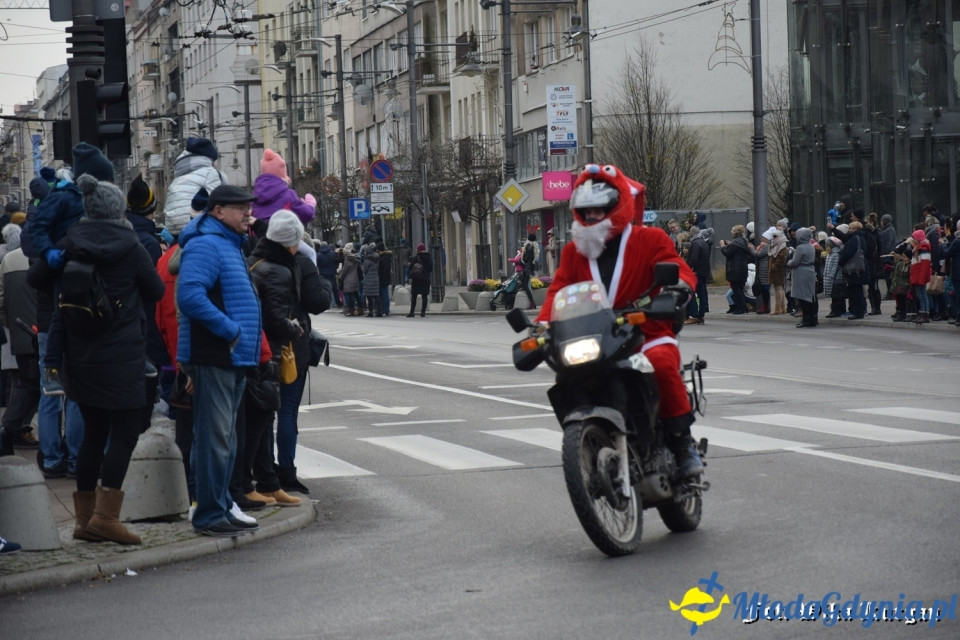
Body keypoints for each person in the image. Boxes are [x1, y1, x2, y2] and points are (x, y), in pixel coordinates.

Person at [538, 163, 703, 478]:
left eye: (600, 210)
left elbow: (676, 266)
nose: (592, 217)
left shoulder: (649, 238)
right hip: (596, 335)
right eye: (586, 211)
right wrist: (543, 325)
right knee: (569, 376)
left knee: (661, 363)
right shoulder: (575, 252)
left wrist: (676, 289)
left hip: (647, 328)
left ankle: (683, 445)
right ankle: (588, 441)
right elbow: (558, 290)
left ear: (616, 206)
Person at [29, 174, 165, 544]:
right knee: (123, 435)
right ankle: (106, 519)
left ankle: (83, 520)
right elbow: (155, 289)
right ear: (117, 209)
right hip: (121, 355)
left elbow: (37, 277)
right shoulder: (132, 245)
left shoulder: (70, 241)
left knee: (93, 435)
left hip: (79, 354)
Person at [176, 184, 263, 537]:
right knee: (215, 440)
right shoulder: (206, 244)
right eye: (240, 207)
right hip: (215, 354)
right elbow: (190, 296)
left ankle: (222, 504)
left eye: (248, 207)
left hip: (232, 356)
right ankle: (209, 514)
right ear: (217, 211)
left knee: (226, 439)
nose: (247, 213)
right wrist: (231, 331)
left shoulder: (228, 243)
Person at [162, 137, 225, 238]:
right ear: (210, 158)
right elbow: (219, 200)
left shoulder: (179, 176)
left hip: (173, 228)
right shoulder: (210, 172)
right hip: (194, 224)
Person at [251, 149, 316, 225]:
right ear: (283, 173)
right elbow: (306, 214)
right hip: (283, 236)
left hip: (258, 236)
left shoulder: (253, 199)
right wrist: (310, 205)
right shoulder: (288, 196)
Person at [787, 227, 818, 327]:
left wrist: (789, 262)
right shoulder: (811, 246)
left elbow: (795, 262)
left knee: (803, 297)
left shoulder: (800, 247)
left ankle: (806, 319)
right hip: (810, 271)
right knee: (811, 296)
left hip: (801, 272)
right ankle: (813, 318)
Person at [719, 225, 752, 314]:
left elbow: (727, 253)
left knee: (736, 289)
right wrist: (730, 244)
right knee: (740, 289)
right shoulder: (744, 241)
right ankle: (742, 307)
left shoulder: (735, 243)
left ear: (735, 233)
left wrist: (722, 246)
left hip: (735, 270)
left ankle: (741, 308)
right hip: (743, 269)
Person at [684, 226, 713, 324]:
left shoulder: (695, 243)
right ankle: (701, 314)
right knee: (702, 294)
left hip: (696, 272)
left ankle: (694, 314)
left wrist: (688, 268)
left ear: (692, 233)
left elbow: (693, 259)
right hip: (703, 271)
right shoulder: (704, 243)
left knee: (691, 293)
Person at [908, 229, 932, 324]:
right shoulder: (917, 248)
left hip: (920, 276)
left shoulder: (924, 249)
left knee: (922, 295)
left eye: (914, 238)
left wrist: (921, 278)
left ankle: (925, 313)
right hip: (917, 275)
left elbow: (925, 265)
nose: (912, 240)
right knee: (920, 295)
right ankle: (922, 312)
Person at [407, 243, 432, 317]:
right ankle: (423, 312)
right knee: (424, 296)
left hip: (417, 279)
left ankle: (412, 312)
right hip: (425, 279)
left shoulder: (416, 258)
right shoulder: (429, 257)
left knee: (414, 296)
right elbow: (431, 268)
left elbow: (411, 267)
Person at [767, 228, 789, 314]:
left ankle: (778, 308)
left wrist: (774, 266)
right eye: (773, 236)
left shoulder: (782, 245)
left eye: (775, 236)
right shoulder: (776, 244)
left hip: (778, 270)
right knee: (779, 288)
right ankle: (782, 307)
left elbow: (781, 258)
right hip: (776, 270)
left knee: (778, 288)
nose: (773, 238)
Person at [517, 233, 540, 310]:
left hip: (526, 268)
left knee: (525, 285)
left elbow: (525, 259)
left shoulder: (528, 246)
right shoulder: (535, 246)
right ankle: (531, 302)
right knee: (525, 284)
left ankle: (532, 302)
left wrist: (521, 258)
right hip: (530, 268)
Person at [339, 243, 362, 316]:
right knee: (356, 295)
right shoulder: (355, 258)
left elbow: (344, 271)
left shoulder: (347, 259)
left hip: (348, 279)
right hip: (355, 278)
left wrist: (341, 278)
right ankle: (361, 309)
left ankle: (351, 310)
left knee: (349, 296)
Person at [361, 242, 381, 317]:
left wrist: (362, 267)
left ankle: (371, 312)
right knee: (376, 296)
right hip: (375, 279)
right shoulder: (375, 259)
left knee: (369, 297)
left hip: (369, 279)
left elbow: (365, 270)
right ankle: (379, 311)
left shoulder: (367, 260)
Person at [376, 240, 393, 316]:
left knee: (384, 294)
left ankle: (386, 309)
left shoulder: (383, 258)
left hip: (383, 279)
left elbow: (384, 269)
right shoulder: (387, 257)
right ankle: (385, 309)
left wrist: (382, 278)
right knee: (385, 294)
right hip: (385, 278)